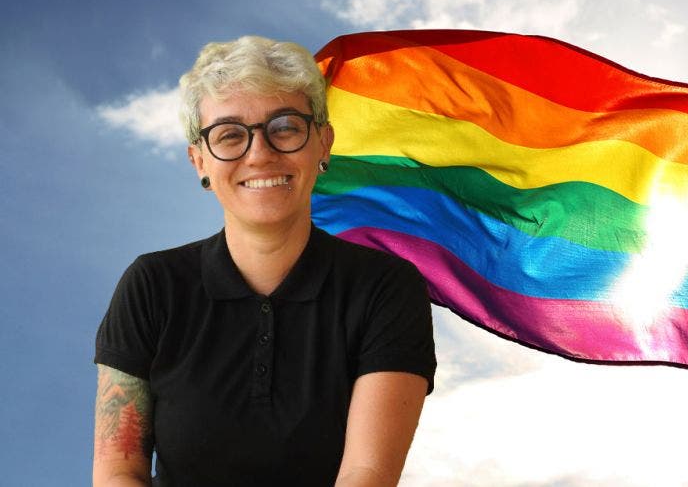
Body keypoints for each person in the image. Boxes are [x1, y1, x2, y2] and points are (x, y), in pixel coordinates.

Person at [92, 36, 436, 487]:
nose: (259, 153)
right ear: (199, 161)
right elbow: (119, 471)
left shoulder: (386, 288)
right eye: (230, 134)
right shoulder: (151, 285)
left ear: (324, 144)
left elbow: (365, 474)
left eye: (285, 126)